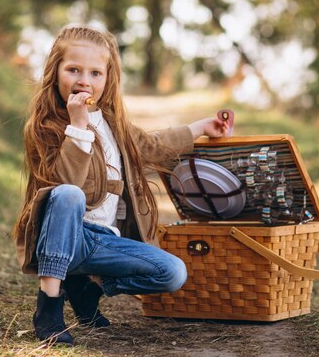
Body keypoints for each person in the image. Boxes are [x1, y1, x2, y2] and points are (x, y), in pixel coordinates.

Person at [12, 25, 230, 346]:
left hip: (102, 243)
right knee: (69, 195)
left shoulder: (115, 125)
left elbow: (153, 146)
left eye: (95, 73)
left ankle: (89, 287)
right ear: (55, 72)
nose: (84, 80)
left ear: (107, 78)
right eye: (73, 70)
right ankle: (49, 304)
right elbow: (64, 186)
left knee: (172, 272)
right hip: (63, 234)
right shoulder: (46, 126)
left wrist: (201, 127)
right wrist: (78, 127)